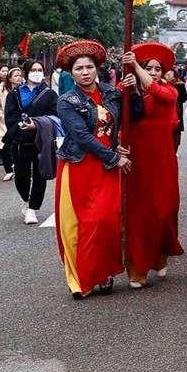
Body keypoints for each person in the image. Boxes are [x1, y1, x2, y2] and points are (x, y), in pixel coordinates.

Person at [53, 40, 129, 298]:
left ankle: (105, 271)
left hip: (107, 166)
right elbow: (82, 136)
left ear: (97, 69)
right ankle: (81, 279)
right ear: (70, 73)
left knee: (107, 222)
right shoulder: (66, 101)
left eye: (89, 67)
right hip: (80, 166)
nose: (85, 72)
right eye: (78, 69)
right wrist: (113, 156)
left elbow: (124, 123)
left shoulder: (112, 93)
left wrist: (136, 89)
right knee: (79, 224)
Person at [121, 44, 184, 289]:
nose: (155, 72)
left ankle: (161, 254)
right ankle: (137, 267)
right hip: (136, 159)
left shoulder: (169, 91)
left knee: (165, 209)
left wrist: (135, 65)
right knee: (137, 212)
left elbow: (159, 92)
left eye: (158, 68)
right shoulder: (127, 90)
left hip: (163, 159)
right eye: (150, 68)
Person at [3, 59, 58, 224]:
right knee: (21, 176)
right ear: (26, 72)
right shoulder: (15, 94)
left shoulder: (49, 94)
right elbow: (10, 116)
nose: (37, 72)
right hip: (20, 142)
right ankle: (26, 200)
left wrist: (37, 124)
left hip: (42, 141)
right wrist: (21, 126)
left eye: (40, 69)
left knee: (40, 176)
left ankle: (33, 209)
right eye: (33, 69)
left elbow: (56, 116)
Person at [0, 67, 21, 182]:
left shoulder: (24, 89)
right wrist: (1, 116)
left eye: (20, 75)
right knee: (3, 148)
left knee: (18, 148)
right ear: (10, 78)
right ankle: (8, 170)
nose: (19, 77)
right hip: (5, 123)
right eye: (16, 75)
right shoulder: (2, 89)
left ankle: (19, 169)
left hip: (20, 123)